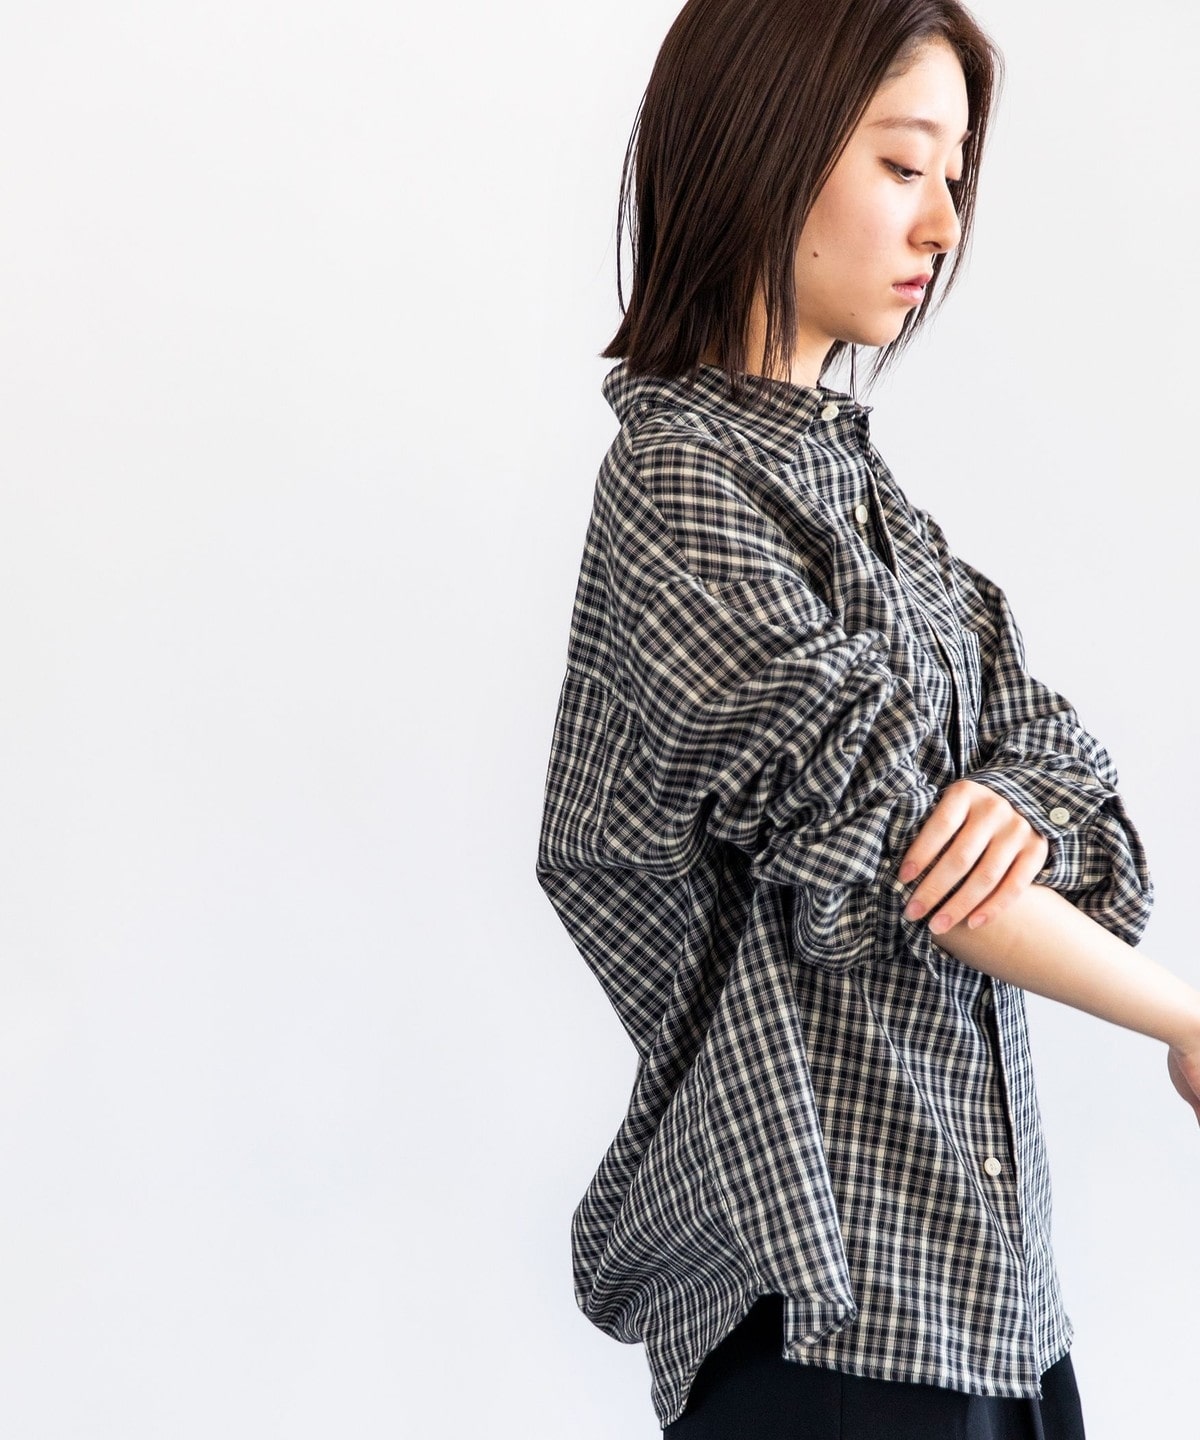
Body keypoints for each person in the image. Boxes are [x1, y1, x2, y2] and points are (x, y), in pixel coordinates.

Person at [533, 2, 1200, 1435]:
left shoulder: (879, 508)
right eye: (906, 166)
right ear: (766, 148)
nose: (944, 226)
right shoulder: (682, 480)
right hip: (827, 1308)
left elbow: (1082, 799)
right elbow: (913, 862)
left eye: (954, 178)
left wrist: (1017, 798)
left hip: (994, 1301)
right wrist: (1186, 1021)